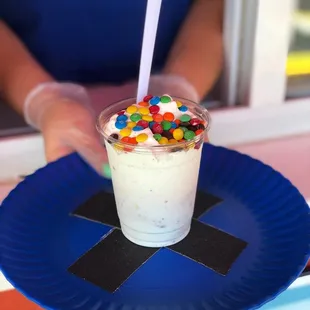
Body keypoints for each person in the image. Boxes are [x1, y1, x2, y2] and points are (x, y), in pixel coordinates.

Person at [0, 0, 223, 177]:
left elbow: (214, 5)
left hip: (173, 60)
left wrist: (180, 83)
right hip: (23, 89)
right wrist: (41, 99)